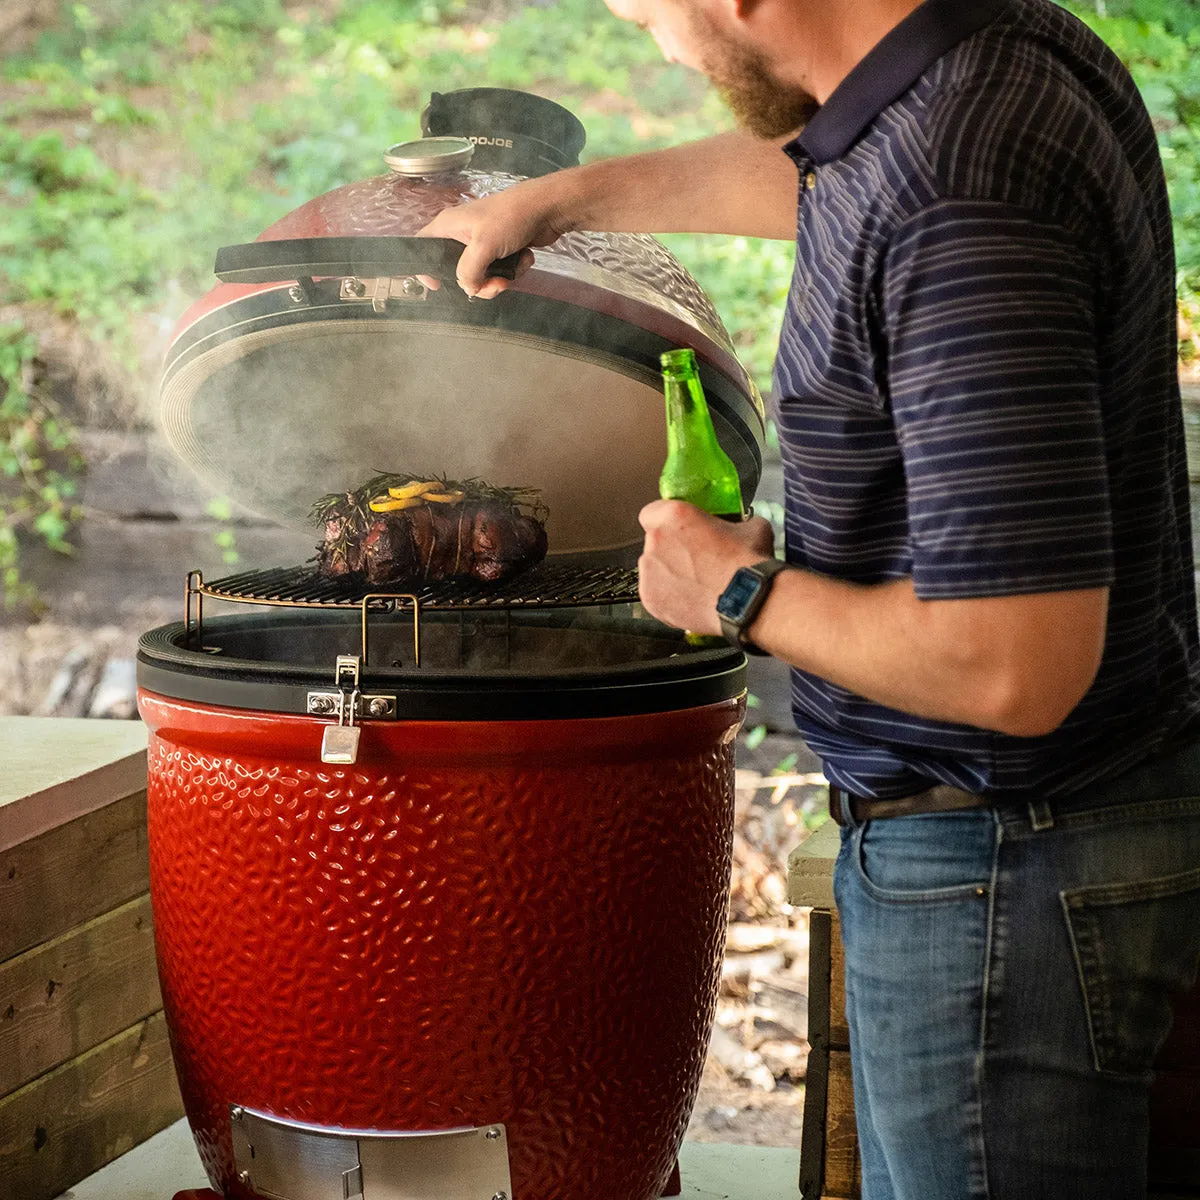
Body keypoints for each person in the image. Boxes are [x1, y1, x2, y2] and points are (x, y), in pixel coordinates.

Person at [418, 0, 1200, 1196]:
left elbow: (1017, 665)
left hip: (1000, 871)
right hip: (1024, 848)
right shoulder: (988, 54)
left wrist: (734, 588)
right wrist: (559, 203)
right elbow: (829, 182)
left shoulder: (958, 190)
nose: (637, 24)